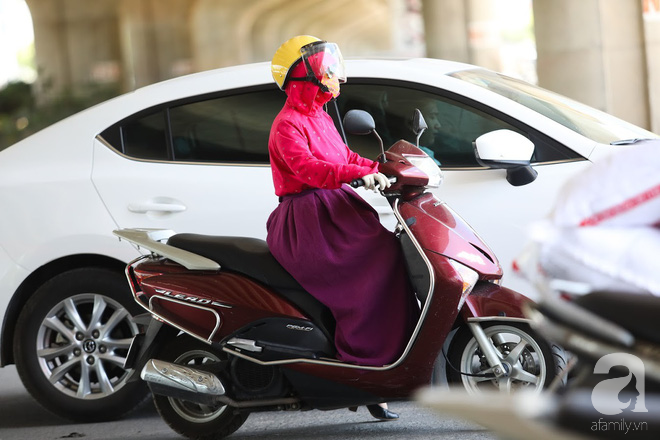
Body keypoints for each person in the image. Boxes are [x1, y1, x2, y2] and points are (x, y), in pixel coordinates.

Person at [266, 35, 421, 421]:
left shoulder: (319, 116)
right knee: (371, 269)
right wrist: (356, 175)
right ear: (306, 75)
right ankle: (361, 368)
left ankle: (383, 367)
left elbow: (344, 155)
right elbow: (309, 169)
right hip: (309, 220)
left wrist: (382, 167)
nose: (338, 78)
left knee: (393, 254)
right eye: (330, 71)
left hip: (335, 209)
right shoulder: (287, 124)